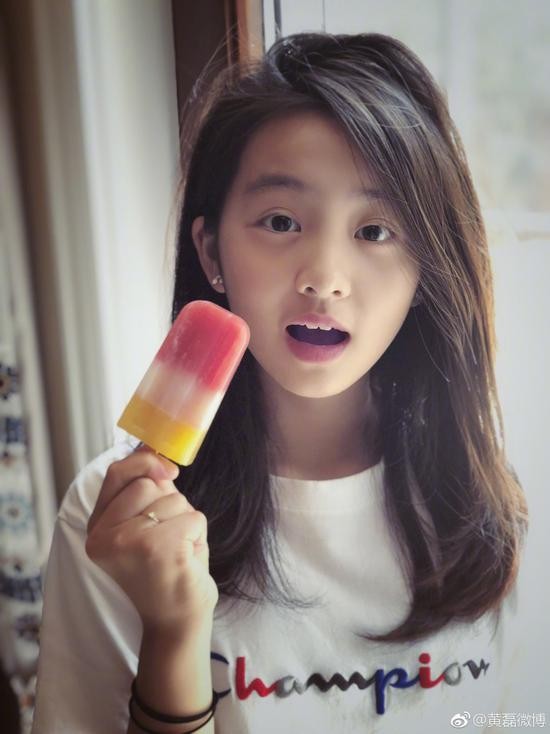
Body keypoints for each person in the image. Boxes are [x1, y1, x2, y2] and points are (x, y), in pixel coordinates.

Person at [31, 32, 528, 734]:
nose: (323, 276)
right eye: (281, 221)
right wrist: (173, 635)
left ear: (427, 270)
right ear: (212, 252)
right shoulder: (115, 520)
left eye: (376, 231)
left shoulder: (500, 509)